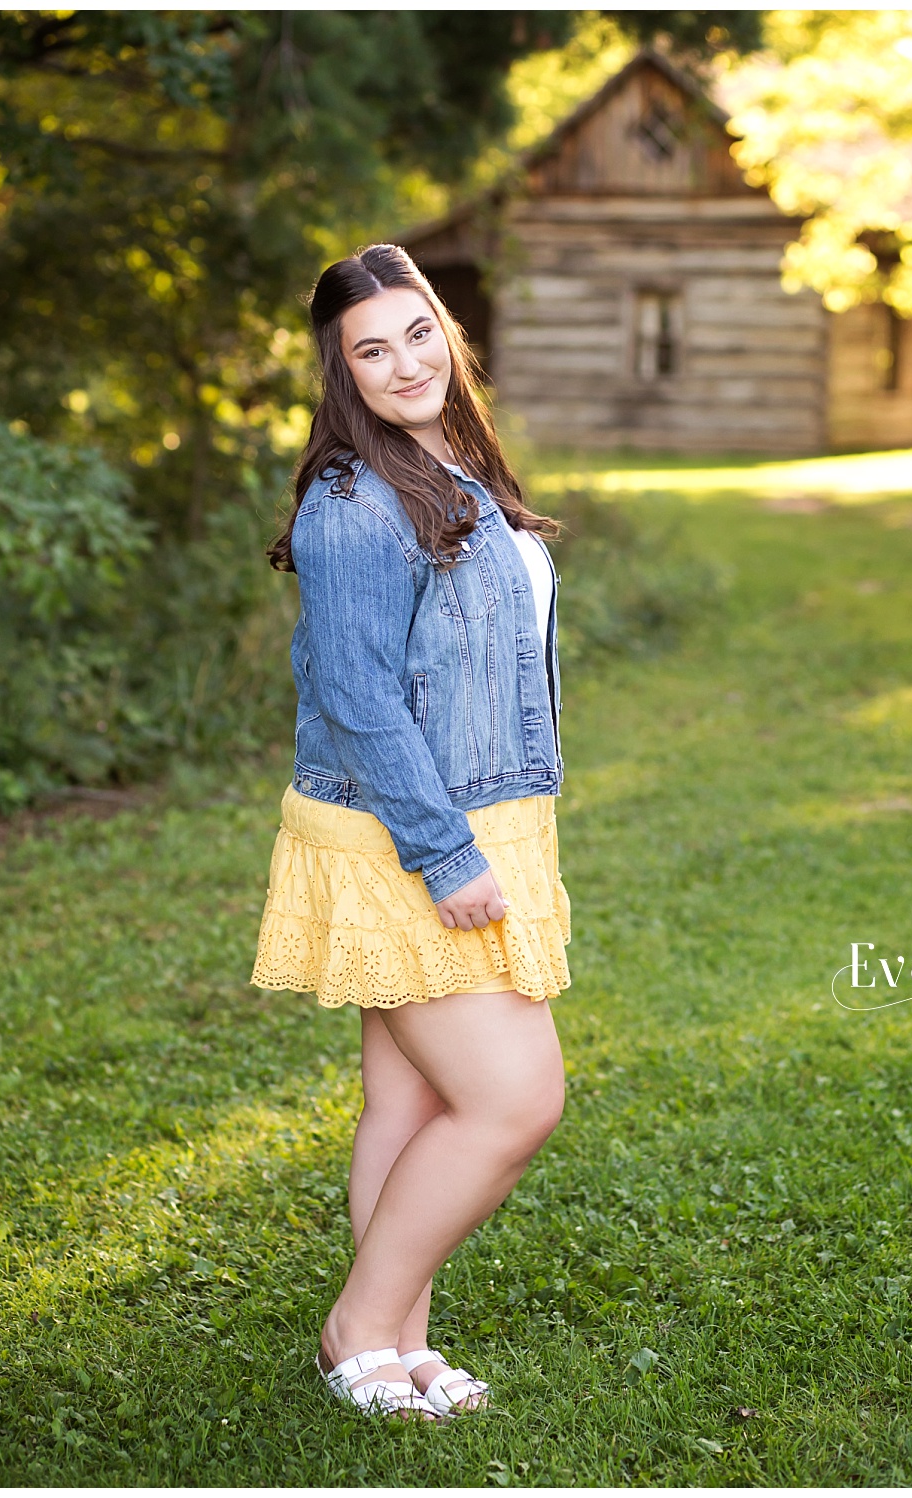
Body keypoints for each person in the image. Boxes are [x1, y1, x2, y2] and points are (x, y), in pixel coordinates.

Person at [249, 243, 572, 1421]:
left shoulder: (456, 463)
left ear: (446, 329)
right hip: (410, 832)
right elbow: (360, 697)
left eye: (416, 333)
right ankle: (359, 1325)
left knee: (414, 1102)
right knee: (513, 1095)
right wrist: (447, 856)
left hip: (482, 809)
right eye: (369, 351)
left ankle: (401, 1339)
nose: (402, 363)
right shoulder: (350, 505)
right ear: (341, 373)